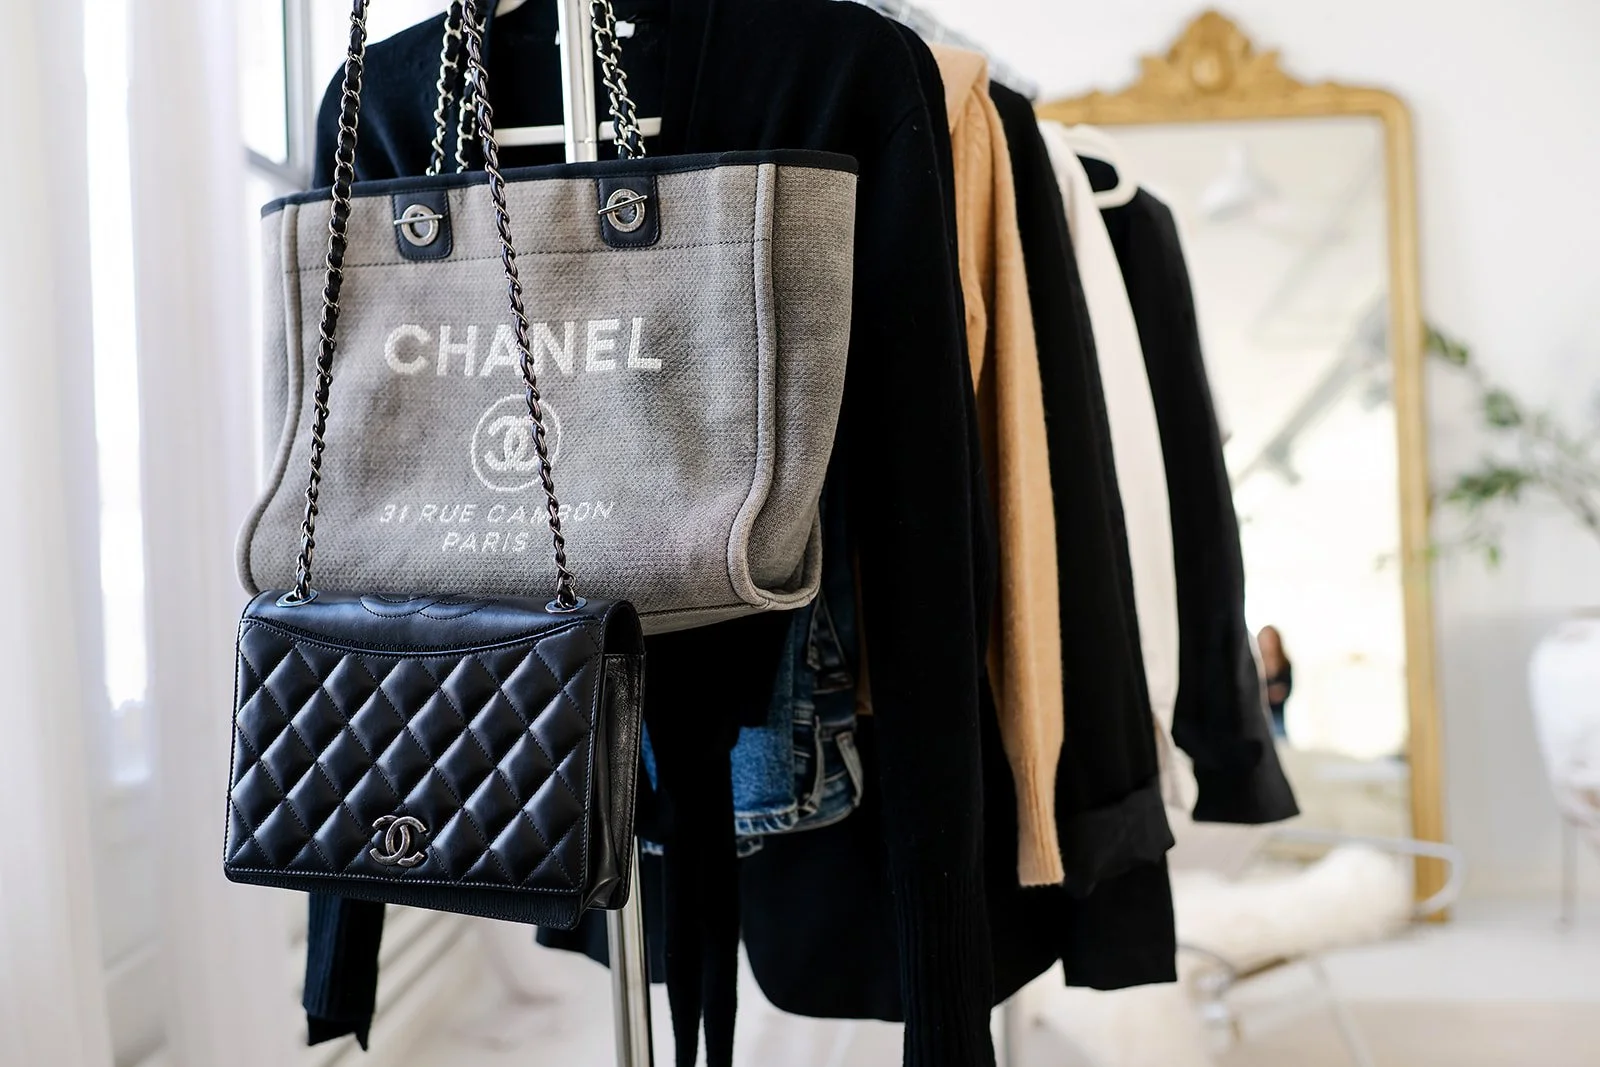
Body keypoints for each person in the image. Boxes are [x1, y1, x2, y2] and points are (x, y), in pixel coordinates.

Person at [1258, 625, 1293, 737]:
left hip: (1277, 716)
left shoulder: (1284, 664)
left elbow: (1287, 689)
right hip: (1260, 717)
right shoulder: (1256, 662)